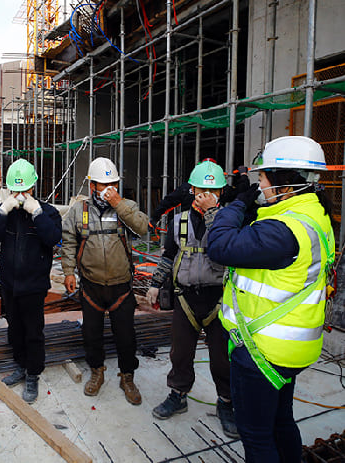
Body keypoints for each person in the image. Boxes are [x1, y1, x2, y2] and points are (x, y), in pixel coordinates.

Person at [206, 136, 335, 462]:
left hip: (263, 350)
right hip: (290, 346)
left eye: (262, 179)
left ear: (284, 182)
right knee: (280, 421)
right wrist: (252, 207)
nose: (259, 186)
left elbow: (220, 246)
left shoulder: (283, 229)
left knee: (257, 437)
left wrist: (235, 205)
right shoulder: (312, 215)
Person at [146, 160, 238, 438]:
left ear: (221, 194)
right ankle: (178, 394)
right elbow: (169, 256)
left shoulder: (229, 220)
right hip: (185, 298)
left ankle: (226, 402)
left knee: (222, 358)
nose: (205, 196)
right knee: (180, 352)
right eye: (200, 190)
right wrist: (155, 284)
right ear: (192, 189)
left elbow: (229, 250)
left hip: (218, 299)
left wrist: (213, 213)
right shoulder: (179, 221)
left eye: (212, 192)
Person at [61, 157, 149, 403]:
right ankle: (97, 371)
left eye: (113, 183)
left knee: (126, 335)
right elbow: (68, 241)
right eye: (103, 184)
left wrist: (119, 203)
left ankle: (127, 376)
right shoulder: (80, 210)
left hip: (121, 286)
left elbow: (142, 228)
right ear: (92, 186)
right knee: (92, 334)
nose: (109, 188)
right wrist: (69, 271)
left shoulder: (126, 207)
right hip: (91, 286)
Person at [0, 159, 62, 403]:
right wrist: (1, 211)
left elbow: (53, 239)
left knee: (33, 332)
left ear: (34, 187)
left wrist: (36, 213)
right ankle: (20, 364)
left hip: (34, 285)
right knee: (15, 328)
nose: (20, 195)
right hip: (8, 282)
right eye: (15, 191)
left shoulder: (47, 212)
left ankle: (33, 373)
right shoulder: (6, 212)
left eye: (24, 190)